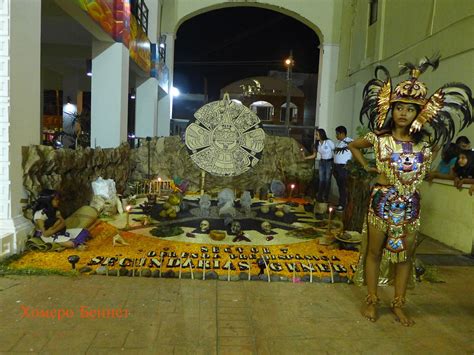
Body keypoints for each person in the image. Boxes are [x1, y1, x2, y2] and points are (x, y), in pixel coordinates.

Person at [349, 55, 473, 326]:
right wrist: (370, 169)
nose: (403, 112)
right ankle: (372, 300)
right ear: (390, 109)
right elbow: (353, 146)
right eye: (399, 107)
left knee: (404, 256)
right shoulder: (378, 139)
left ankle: (398, 304)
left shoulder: (425, 146)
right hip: (381, 202)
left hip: (410, 206)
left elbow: (427, 168)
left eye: (410, 109)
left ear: (420, 114)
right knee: (374, 252)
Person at [303, 128, 335, 202]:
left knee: (327, 180)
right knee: (321, 180)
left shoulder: (328, 142)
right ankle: (320, 196)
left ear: (321, 134)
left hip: (329, 162)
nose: (315, 136)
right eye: (315, 134)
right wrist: (305, 157)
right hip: (322, 162)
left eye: (317, 134)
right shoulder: (317, 144)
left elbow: (335, 150)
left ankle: (325, 196)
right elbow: (314, 155)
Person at [333, 126, 353, 211]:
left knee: (343, 186)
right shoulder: (338, 143)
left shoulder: (350, 142)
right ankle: (341, 203)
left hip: (344, 167)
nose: (336, 136)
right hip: (336, 166)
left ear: (342, 133)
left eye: (337, 134)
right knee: (340, 186)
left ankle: (343, 205)